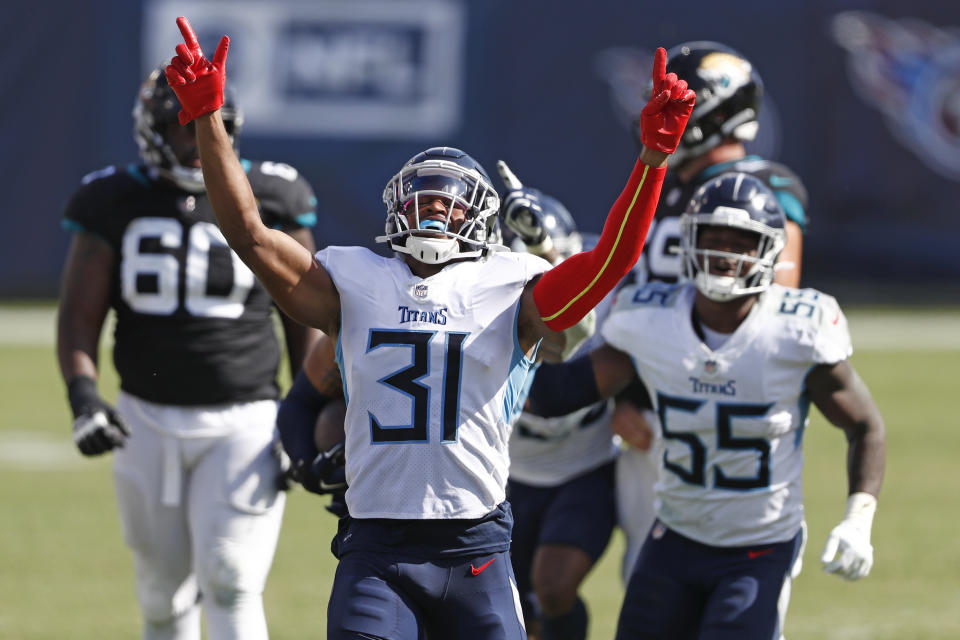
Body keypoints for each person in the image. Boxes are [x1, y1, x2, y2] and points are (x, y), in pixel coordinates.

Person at [162, 16, 694, 638]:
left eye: (451, 197)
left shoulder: (510, 282)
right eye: (422, 193)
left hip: (477, 547)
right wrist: (208, 122)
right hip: (377, 549)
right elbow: (249, 234)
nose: (434, 204)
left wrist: (654, 160)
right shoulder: (354, 279)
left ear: (480, 216)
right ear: (393, 205)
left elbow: (610, 262)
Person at [528, 172, 886, 639]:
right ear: (688, 243)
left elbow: (866, 426)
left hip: (759, 545)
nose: (722, 254)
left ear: (769, 251)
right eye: (711, 238)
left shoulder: (797, 331)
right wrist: (549, 328)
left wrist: (859, 519)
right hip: (675, 536)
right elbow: (554, 397)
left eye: (739, 242)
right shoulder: (650, 321)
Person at [56, 66, 320, 640]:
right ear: (151, 131)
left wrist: (304, 412)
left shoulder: (273, 194)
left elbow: (309, 312)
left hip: (246, 420)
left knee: (231, 578)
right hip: (144, 418)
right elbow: (80, 315)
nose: (193, 142)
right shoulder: (112, 197)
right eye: (181, 128)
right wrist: (83, 399)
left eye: (207, 126)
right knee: (160, 594)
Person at [614, 40, 813, 581]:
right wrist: (621, 392)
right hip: (650, 406)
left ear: (717, 108)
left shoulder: (761, 186)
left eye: (678, 99)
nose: (660, 110)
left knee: (735, 588)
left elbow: (773, 300)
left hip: (720, 406)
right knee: (646, 579)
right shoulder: (668, 184)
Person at [495, 162, 620, 640]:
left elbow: (632, 355)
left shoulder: (610, 296)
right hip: (505, 473)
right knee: (510, 606)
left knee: (554, 587)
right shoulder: (482, 297)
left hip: (583, 469)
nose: (547, 286)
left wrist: (633, 403)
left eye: (558, 268)